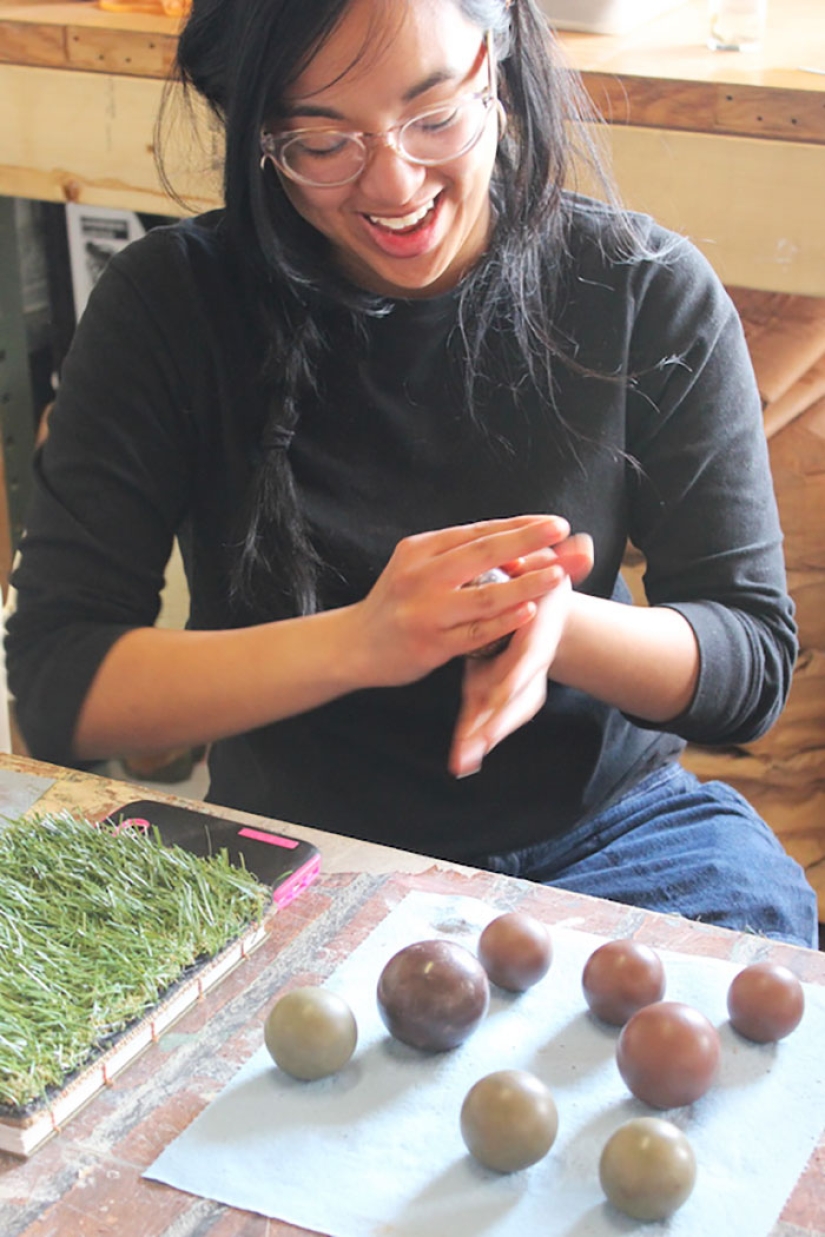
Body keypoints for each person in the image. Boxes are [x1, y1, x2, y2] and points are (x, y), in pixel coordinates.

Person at [6, 0, 817, 947]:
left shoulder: (642, 288)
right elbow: (60, 686)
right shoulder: (168, 308)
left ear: (498, 62)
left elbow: (749, 666)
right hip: (295, 848)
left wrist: (553, 622)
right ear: (255, 130)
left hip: (612, 837)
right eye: (319, 139)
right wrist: (362, 641)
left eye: (435, 114)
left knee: (753, 972)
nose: (393, 182)